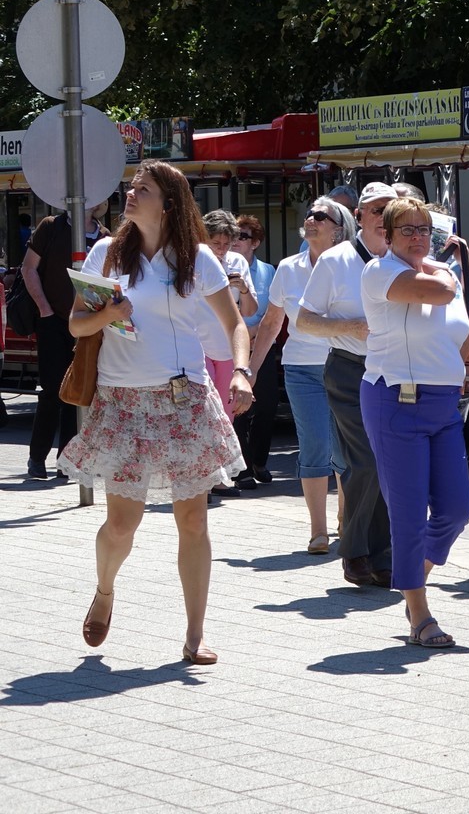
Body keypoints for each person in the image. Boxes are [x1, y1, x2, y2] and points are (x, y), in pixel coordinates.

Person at [60, 160, 254, 666]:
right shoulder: (107, 253)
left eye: (141, 189)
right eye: (130, 187)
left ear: (167, 202)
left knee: (193, 520)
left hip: (184, 401)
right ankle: (105, 590)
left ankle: (194, 634)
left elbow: (235, 324)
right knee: (122, 525)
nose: (130, 194)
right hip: (122, 402)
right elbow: (77, 326)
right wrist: (108, 314)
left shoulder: (196, 258)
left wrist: (240, 371)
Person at [359, 197, 469, 648]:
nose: (417, 237)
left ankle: (413, 578)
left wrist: (462, 269)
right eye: (406, 230)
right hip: (395, 400)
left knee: (457, 509)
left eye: (425, 229)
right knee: (408, 516)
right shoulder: (381, 271)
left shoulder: (443, 272)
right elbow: (441, 293)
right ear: (386, 237)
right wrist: (449, 270)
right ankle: (420, 614)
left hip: (444, 404)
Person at [299, 182, 398, 589]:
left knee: (389, 463)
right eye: (375, 209)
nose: (383, 217)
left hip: (395, 370)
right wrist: (349, 327)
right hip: (349, 370)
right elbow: (303, 321)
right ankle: (355, 551)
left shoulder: (403, 258)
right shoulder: (335, 260)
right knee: (367, 461)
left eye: (389, 209)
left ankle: (383, 555)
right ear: (358, 217)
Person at [252, 198, 353, 554]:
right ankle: (317, 531)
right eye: (309, 214)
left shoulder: (354, 265)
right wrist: (249, 371)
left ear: (338, 229)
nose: (311, 219)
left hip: (346, 366)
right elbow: (271, 323)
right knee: (314, 447)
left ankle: (346, 518)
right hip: (301, 369)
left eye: (320, 216)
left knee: (345, 449)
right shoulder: (288, 267)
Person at [21, 201, 108, 479]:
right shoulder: (52, 227)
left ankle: (66, 462)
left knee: (78, 392)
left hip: (87, 325)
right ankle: (37, 458)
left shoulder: (104, 237)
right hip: (54, 321)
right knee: (51, 392)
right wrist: (44, 310)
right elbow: (28, 269)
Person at [200, 210, 257, 497]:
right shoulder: (195, 260)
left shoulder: (237, 262)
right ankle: (202, 478)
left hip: (226, 349)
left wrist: (244, 289)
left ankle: (218, 477)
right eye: (216, 243)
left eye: (226, 243)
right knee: (202, 412)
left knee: (225, 415)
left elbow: (250, 311)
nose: (222, 249)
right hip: (197, 345)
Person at [231, 215, 280, 488]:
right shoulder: (224, 267)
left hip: (262, 344)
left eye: (243, 236)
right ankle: (243, 469)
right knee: (237, 406)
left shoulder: (268, 272)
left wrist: (254, 333)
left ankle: (259, 461)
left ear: (256, 243)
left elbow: (274, 310)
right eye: (233, 235)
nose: (235, 241)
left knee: (266, 406)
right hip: (232, 346)